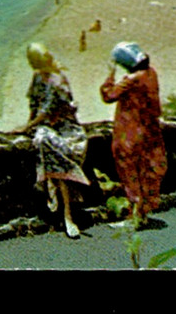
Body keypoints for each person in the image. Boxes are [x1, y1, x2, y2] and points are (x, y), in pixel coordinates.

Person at [15, 42, 89, 238]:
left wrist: (27, 127)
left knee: (48, 147)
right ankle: (65, 213)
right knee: (43, 142)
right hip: (48, 128)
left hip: (66, 130)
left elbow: (46, 110)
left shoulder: (57, 80)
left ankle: (67, 214)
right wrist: (29, 124)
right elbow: (34, 105)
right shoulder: (38, 77)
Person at [100, 41, 167, 228]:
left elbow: (108, 95)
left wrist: (110, 75)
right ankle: (143, 213)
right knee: (145, 172)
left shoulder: (130, 80)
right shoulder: (150, 73)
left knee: (129, 172)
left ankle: (134, 217)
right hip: (149, 131)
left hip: (129, 133)